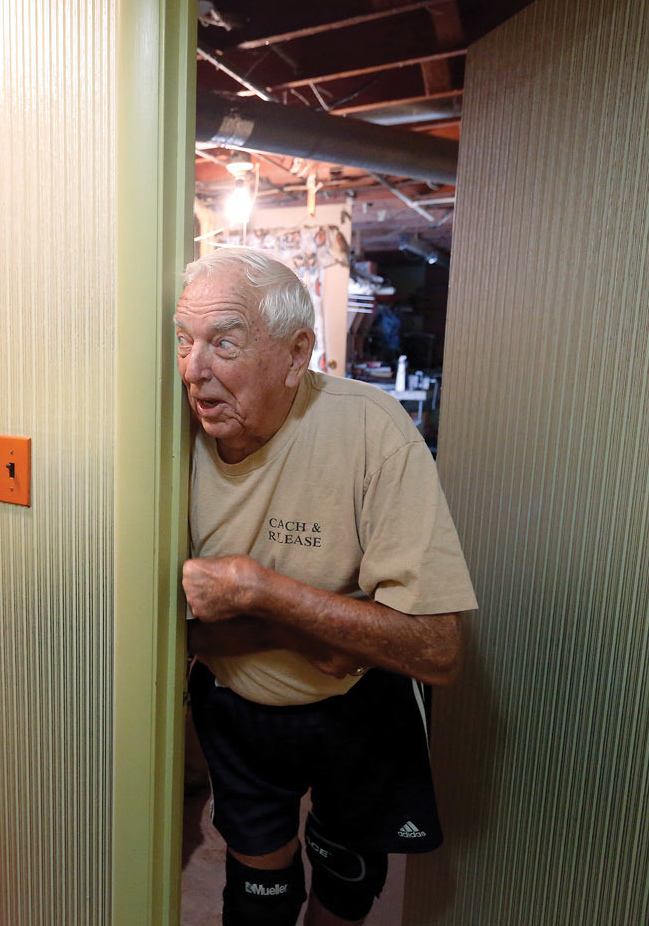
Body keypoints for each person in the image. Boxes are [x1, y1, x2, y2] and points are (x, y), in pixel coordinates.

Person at [175, 247, 477, 926]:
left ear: (295, 354)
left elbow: (436, 648)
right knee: (257, 894)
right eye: (184, 340)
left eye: (224, 343)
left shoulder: (370, 428)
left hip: (359, 708)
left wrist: (261, 591)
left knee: (347, 881)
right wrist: (321, 629)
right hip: (237, 704)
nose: (194, 369)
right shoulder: (165, 435)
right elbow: (169, 624)